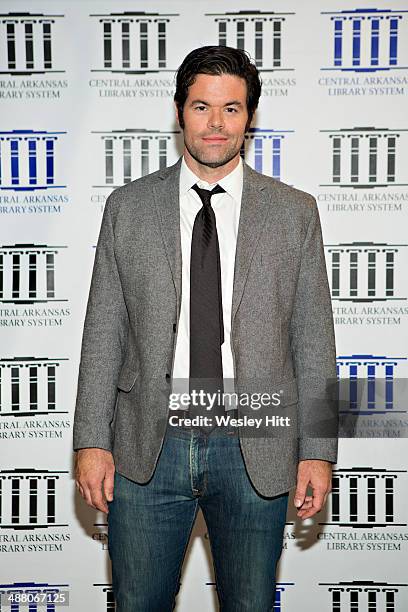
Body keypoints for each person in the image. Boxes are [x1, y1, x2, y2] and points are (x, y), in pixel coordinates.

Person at [73, 45, 338, 611]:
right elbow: (103, 332)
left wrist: (317, 451)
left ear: (250, 117)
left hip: (256, 444)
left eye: (232, 109)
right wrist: (92, 440)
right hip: (149, 444)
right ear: (179, 111)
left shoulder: (295, 213)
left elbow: (314, 341)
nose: (215, 124)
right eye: (201, 106)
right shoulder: (128, 207)